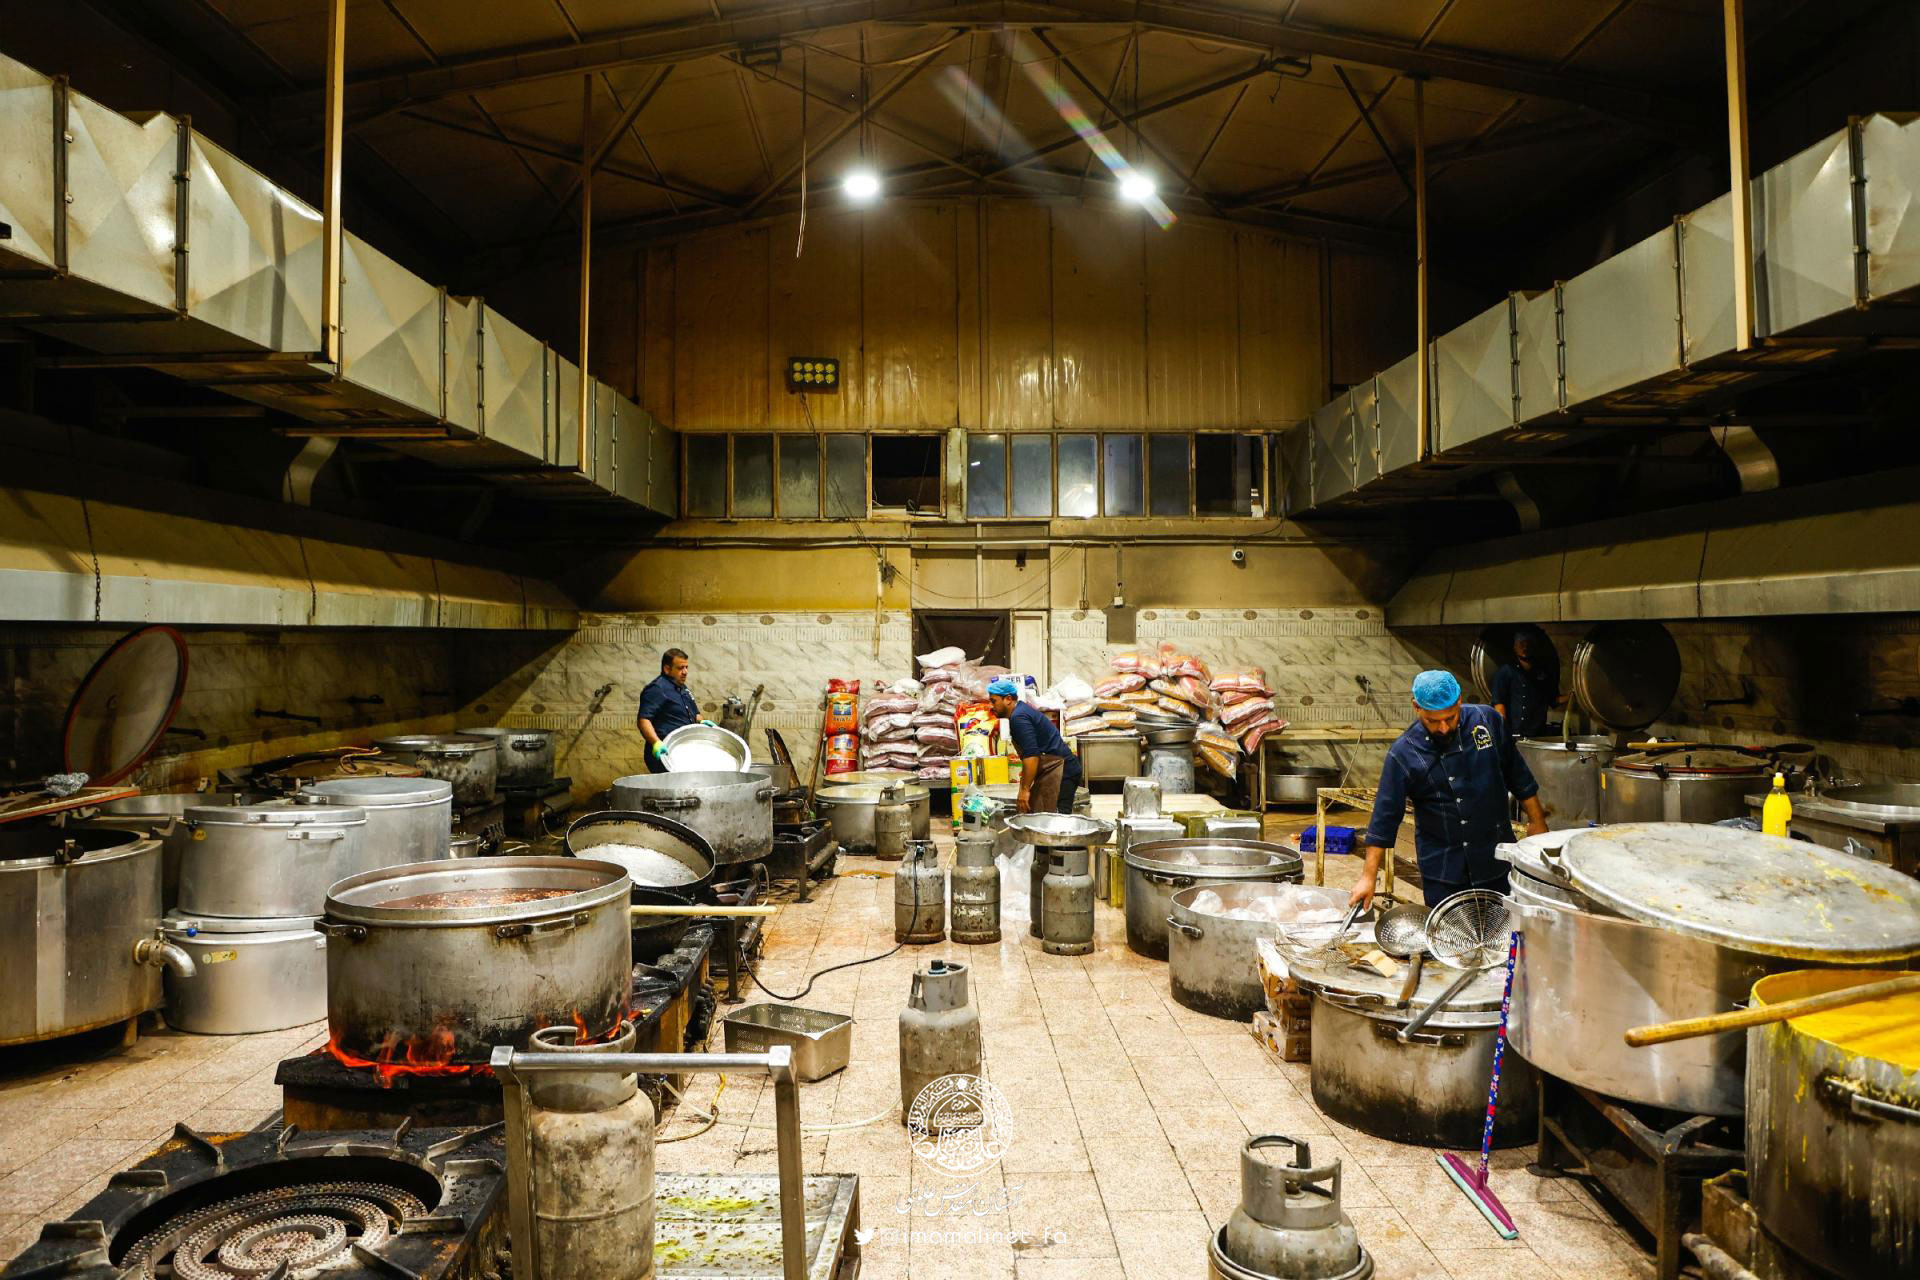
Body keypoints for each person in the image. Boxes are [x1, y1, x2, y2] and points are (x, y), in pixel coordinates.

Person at [1349, 669, 1548, 910]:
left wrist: (1537, 821)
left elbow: (1517, 773)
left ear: (1460, 701)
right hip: (1443, 868)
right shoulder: (1404, 753)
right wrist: (1368, 876)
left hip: (1495, 857)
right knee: (1447, 932)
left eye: (1451, 718)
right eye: (1433, 721)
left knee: (1503, 928)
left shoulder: (1487, 722)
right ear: (1416, 707)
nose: (1443, 728)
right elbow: (1385, 816)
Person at [986, 678, 1082, 814]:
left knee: (1058, 818)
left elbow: (1031, 755)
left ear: (1008, 699)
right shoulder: (1020, 712)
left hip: (1063, 772)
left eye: (993, 701)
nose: (990, 706)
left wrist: (1024, 790)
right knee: (1044, 814)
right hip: (1057, 770)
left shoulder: (1019, 718)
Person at [637, 648, 707, 773]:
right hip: (664, 752)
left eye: (686, 667)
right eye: (680, 668)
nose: (685, 672)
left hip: (682, 751)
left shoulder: (682, 688)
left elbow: (695, 713)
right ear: (667, 669)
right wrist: (656, 743)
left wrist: (702, 722)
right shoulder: (657, 688)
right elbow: (644, 720)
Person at [1490, 630, 1558, 738]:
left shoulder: (1541, 672)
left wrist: (1574, 693)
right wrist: (1502, 731)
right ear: (1515, 647)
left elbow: (1553, 700)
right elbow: (1499, 703)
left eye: (1528, 644)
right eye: (1521, 644)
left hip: (1537, 734)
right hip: (1513, 733)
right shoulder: (1506, 671)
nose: (1525, 647)